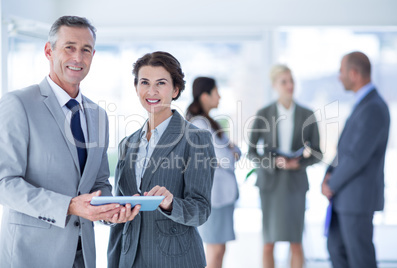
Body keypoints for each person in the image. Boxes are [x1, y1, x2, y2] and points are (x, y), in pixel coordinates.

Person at [0, 16, 138, 268]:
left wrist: (110, 211)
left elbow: (97, 182)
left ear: (93, 55)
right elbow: (4, 183)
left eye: (86, 50)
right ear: (48, 51)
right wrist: (69, 206)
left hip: (83, 254)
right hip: (30, 254)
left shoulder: (98, 115)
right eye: (69, 47)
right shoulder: (18, 104)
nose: (78, 57)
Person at [107, 51, 216, 268]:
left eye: (161, 83)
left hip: (175, 258)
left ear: (175, 90)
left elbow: (201, 210)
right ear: (136, 87)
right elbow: (120, 211)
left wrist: (170, 204)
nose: (151, 91)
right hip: (129, 258)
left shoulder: (196, 139)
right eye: (145, 82)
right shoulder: (127, 144)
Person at [248, 64, 322, 268]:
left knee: (296, 243)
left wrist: (298, 163)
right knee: (268, 243)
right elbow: (251, 152)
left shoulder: (307, 114)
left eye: (292, 81)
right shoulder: (264, 113)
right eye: (284, 81)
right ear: (275, 85)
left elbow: (317, 152)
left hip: (295, 185)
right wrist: (274, 162)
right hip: (270, 186)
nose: (290, 85)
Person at [321, 51, 390, 268]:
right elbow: (344, 149)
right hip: (345, 198)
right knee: (337, 251)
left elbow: (356, 156)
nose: (339, 76)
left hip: (357, 200)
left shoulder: (373, 108)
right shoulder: (363, 104)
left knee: (360, 259)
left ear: (354, 73)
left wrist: (331, 183)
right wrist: (327, 175)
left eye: (341, 71)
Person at [186, 77, 241, 268]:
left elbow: (228, 154)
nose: (220, 96)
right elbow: (225, 157)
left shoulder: (208, 122)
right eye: (216, 92)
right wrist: (230, 152)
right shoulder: (200, 123)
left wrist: (229, 152)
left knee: (218, 250)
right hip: (214, 197)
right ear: (204, 96)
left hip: (220, 196)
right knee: (215, 251)